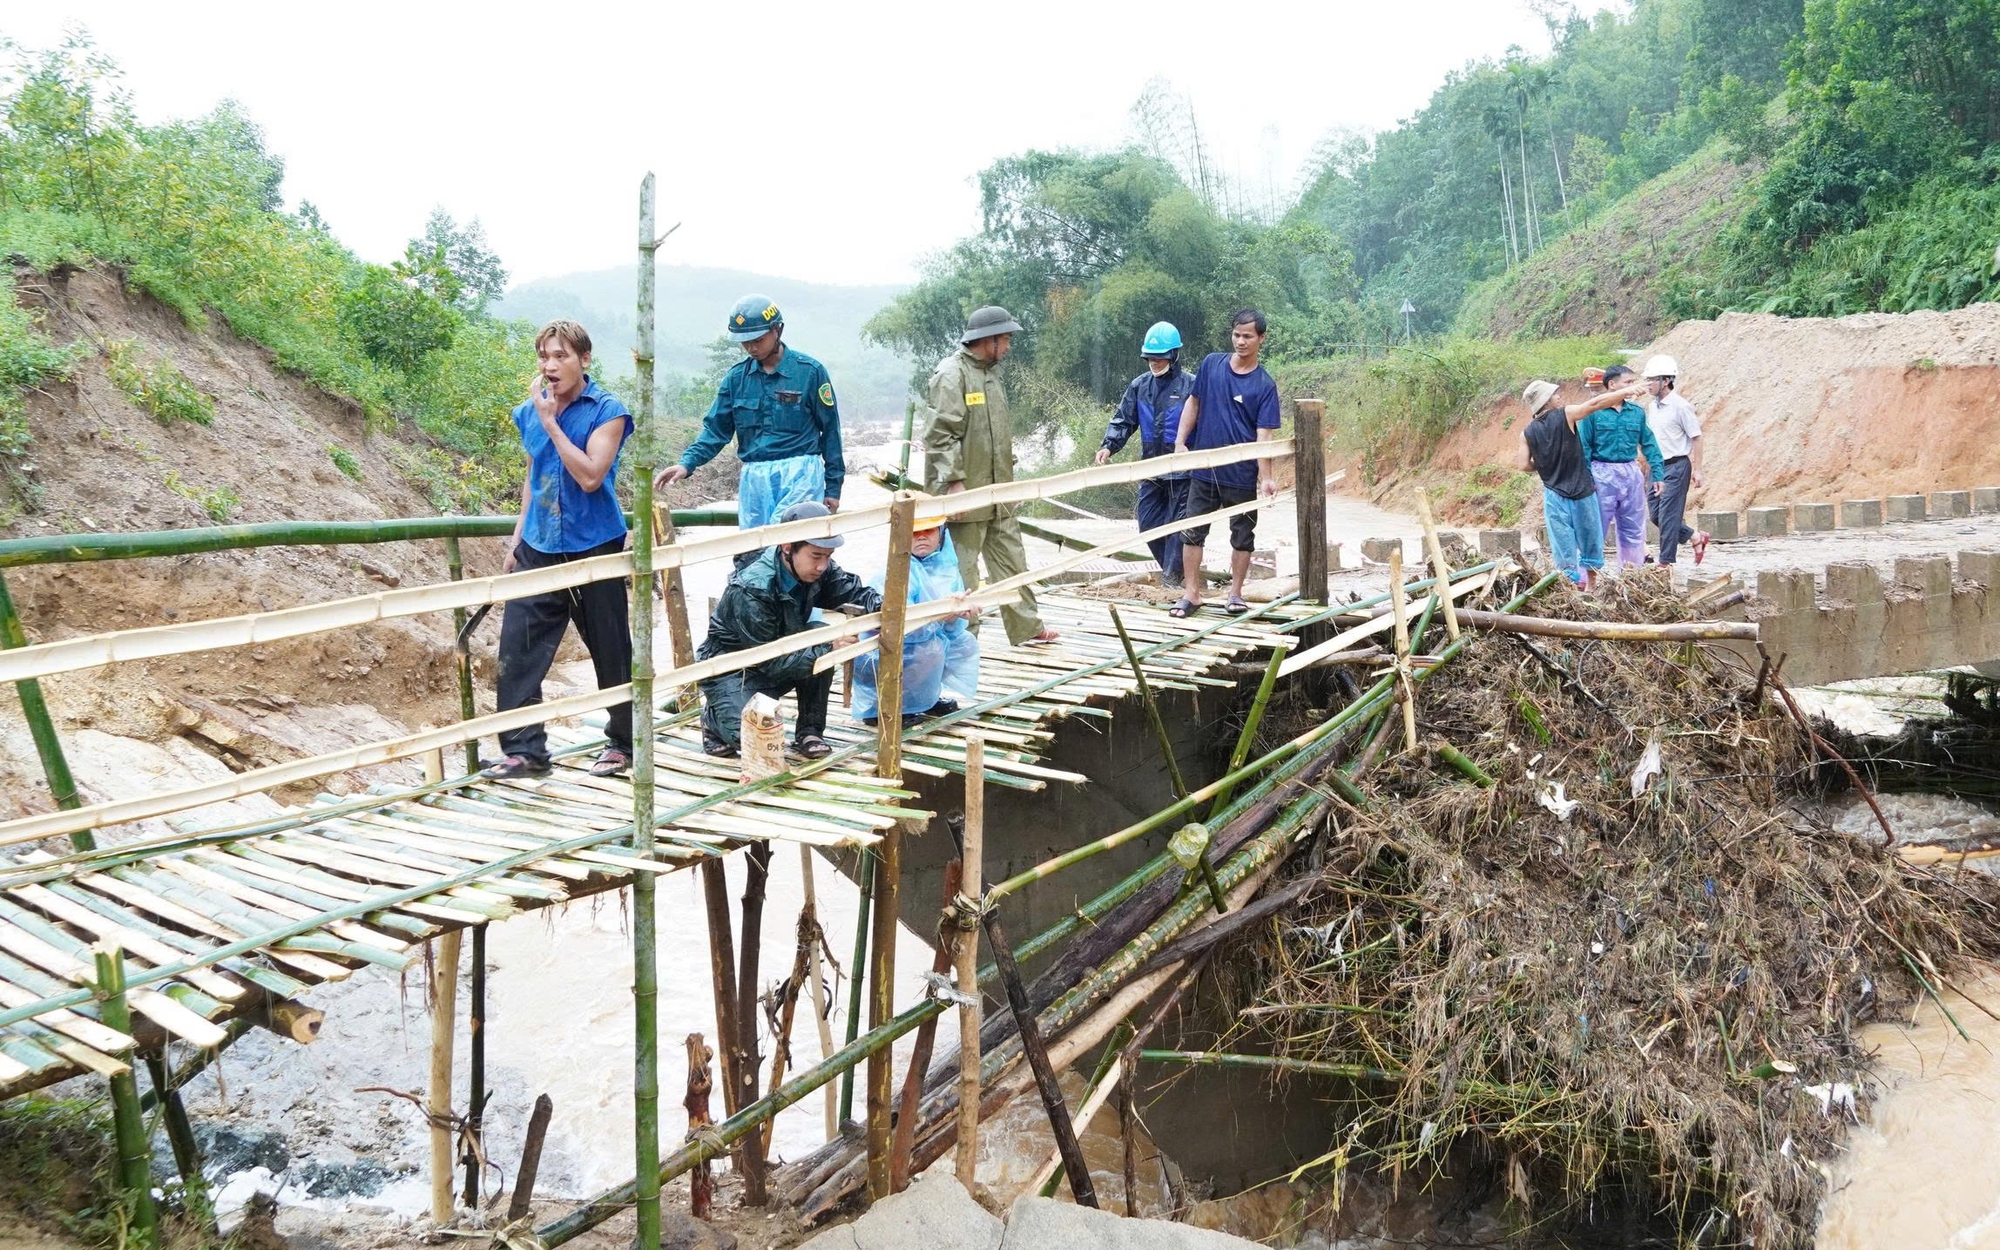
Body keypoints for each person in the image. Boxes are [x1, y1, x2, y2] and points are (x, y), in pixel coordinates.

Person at [488, 320, 635, 780]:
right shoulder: (528, 411)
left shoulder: (607, 410)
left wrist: (552, 423)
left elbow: (591, 475)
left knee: (610, 649)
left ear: (584, 360)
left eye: (561, 357)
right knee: (517, 650)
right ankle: (524, 752)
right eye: (544, 357)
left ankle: (625, 745)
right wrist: (517, 540)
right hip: (539, 544)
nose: (550, 366)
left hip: (596, 545)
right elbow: (536, 478)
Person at [696, 501, 882, 760]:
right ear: (787, 548)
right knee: (756, 738)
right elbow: (769, 661)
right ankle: (714, 721)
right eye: (816, 556)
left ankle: (810, 731)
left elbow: (854, 591)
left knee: (820, 633)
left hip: (782, 652)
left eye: (827, 557)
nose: (822, 566)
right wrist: (827, 648)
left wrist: (883, 605)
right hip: (732, 668)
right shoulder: (753, 589)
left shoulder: (819, 568)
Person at [656, 296, 845, 547]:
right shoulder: (736, 379)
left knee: (791, 546)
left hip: (801, 474)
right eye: (745, 342)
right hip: (754, 479)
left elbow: (830, 431)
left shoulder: (810, 371)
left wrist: (833, 488)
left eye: (758, 340)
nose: (751, 348)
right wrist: (687, 463)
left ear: (777, 330)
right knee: (753, 551)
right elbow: (716, 431)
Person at [922, 305, 1058, 645]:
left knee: (1013, 560)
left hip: (1000, 491)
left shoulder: (992, 374)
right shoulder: (951, 375)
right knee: (962, 571)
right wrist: (955, 484)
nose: (1009, 346)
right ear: (989, 339)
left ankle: (1027, 627)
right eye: (1006, 339)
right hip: (965, 494)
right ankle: (962, 637)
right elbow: (940, 435)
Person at [1169, 309, 1281, 618]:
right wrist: (1181, 442)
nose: (1241, 341)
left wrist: (1266, 477)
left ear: (1261, 339)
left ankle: (1235, 594)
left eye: (1248, 336)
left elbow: (1264, 435)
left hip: (1241, 476)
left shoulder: (1264, 386)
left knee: (1243, 536)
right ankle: (1191, 593)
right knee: (1191, 531)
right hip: (1204, 470)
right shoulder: (1211, 365)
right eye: (1236, 335)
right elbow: (1194, 402)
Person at [850, 496, 981, 726]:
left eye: (929, 530)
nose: (921, 536)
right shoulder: (894, 569)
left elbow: (954, 625)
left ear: (941, 531)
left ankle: (925, 698)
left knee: (961, 642)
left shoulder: (946, 564)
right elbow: (897, 627)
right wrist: (941, 616)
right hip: (887, 650)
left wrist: (957, 615)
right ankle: (881, 707)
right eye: (913, 532)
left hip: (927, 637)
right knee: (928, 650)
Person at [1515, 377, 1647, 588]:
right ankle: (1592, 588)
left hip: (1554, 494)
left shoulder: (1527, 433)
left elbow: (1523, 465)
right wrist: (1627, 391)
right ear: (1547, 400)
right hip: (1582, 490)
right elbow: (1594, 404)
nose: (1559, 397)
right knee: (1590, 538)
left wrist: (1543, 466)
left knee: (1562, 543)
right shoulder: (1566, 415)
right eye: (1555, 394)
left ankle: (1571, 587)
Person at [1095, 321, 1195, 587]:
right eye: (1150, 358)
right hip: (1150, 471)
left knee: (1178, 526)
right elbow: (1124, 420)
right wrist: (1109, 445)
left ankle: (1172, 579)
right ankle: (1176, 573)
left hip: (1183, 471)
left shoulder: (1191, 387)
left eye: (1160, 358)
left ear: (1174, 356)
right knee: (1148, 525)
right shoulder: (1139, 386)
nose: (1154, 363)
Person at [1577, 363, 1666, 571]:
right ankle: (1586, 579)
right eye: (1628, 382)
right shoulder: (1593, 413)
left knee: (1633, 529)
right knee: (1595, 528)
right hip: (1601, 474)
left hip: (1630, 473)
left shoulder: (1636, 412)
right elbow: (1583, 448)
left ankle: (1630, 576)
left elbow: (1649, 443)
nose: (1633, 387)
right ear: (1612, 385)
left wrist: (1658, 474)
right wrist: (1588, 479)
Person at [1642, 354, 1711, 566]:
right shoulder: (1652, 407)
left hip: (1676, 466)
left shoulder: (1681, 406)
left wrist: (1698, 470)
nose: (1648, 384)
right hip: (1656, 468)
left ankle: (1666, 564)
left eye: (1652, 379)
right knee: (1656, 515)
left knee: (1669, 516)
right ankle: (1695, 537)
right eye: (1647, 379)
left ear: (1666, 380)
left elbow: (1696, 437)